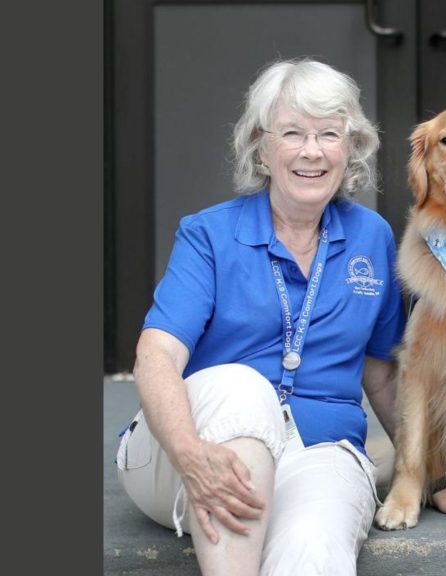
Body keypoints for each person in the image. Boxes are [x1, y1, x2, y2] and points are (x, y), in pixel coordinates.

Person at [114, 58, 405, 575]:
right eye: (292, 133)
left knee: (314, 546)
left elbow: (381, 374)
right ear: (261, 147)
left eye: (329, 134)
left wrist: (432, 475)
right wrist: (188, 452)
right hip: (186, 451)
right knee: (245, 389)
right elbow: (156, 355)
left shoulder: (372, 237)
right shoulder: (208, 234)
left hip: (318, 450)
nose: (312, 151)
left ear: (351, 147)